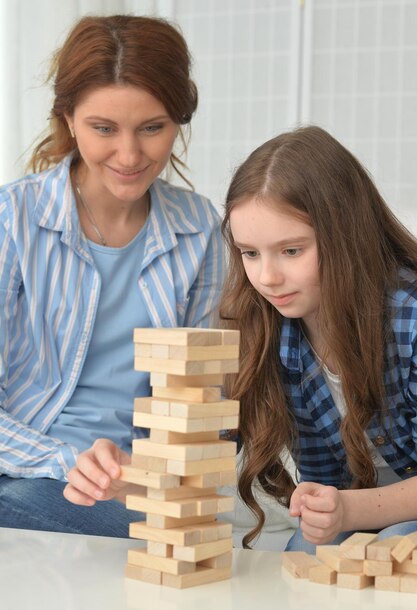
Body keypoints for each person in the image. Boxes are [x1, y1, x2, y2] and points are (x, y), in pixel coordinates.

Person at [0, 15, 224, 536]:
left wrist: (144, 472)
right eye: (104, 129)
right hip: (25, 463)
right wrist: (64, 460)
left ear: (178, 120)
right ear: (69, 117)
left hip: (132, 484)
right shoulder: (14, 219)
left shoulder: (199, 229)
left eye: (152, 128)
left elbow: (204, 398)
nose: (129, 156)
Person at [220, 125, 417, 554]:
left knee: (398, 545)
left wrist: (348, 511)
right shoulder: (267, 326)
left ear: (346, 236)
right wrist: (131, 470)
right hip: (351, 511)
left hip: (393, 515)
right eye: (249, 253)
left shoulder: (410, 319)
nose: (267, 278)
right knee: (306, 556)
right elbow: (209, 436)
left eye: (291, 251)